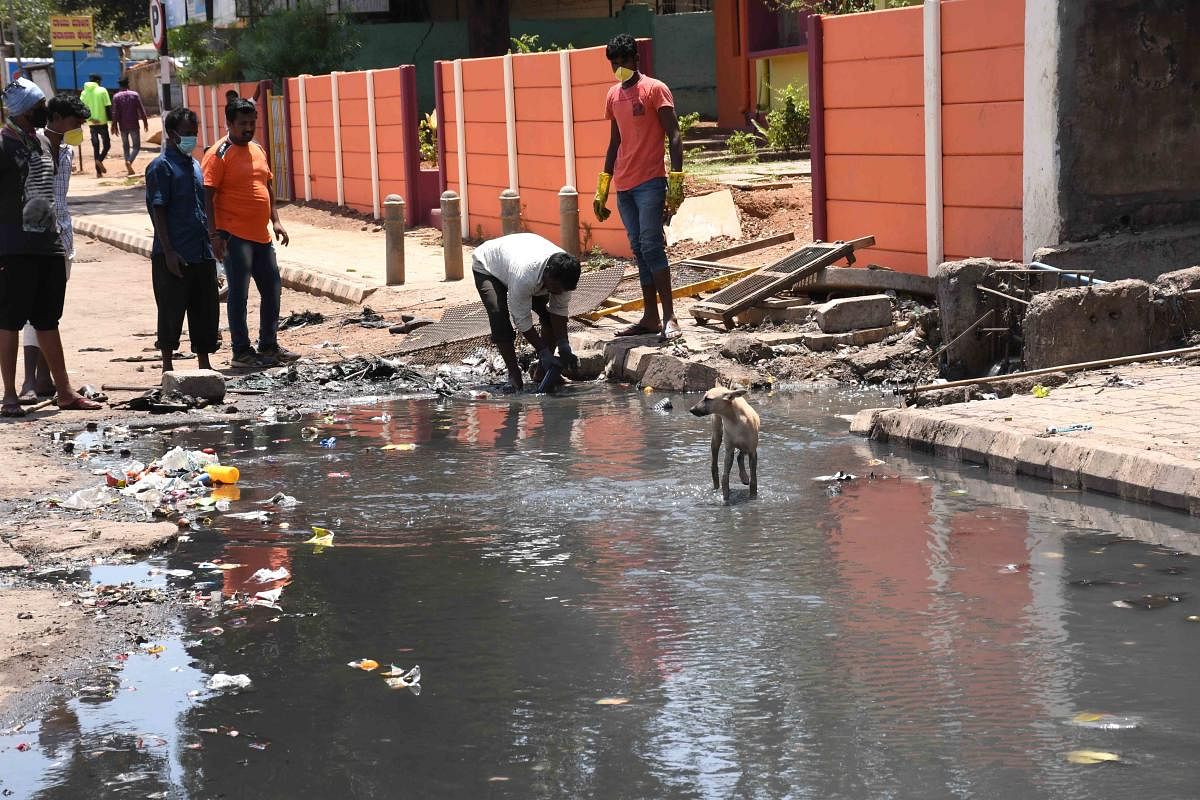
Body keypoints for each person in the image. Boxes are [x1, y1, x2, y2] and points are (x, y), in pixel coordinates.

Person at [0, 78, 102, 416]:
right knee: (10, 322)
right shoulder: (3, 146)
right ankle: (10, 395)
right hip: (14, 249)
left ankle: (65, 393)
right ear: (25, 111)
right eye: (38, 106)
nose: (44, 109)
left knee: (48, 321)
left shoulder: (40, 143)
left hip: (48, 246)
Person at [594, 33, 685, 342]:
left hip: (650, 182)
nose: (619, 68)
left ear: (636, 59)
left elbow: (674, 134)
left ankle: (670, 316)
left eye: (623, 61)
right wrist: (602, 186)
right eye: (613, 63)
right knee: (638, 250)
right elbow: (614, 142)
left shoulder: (655, 89)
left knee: (651, 245)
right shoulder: (613, 96)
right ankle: (650, 317)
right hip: (625, 186)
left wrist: (677, 179)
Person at [202, 98, 296, 368]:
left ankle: (268, 346)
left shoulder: (257, 149)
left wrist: (276, 220)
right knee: (239, 295)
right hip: (234, 236)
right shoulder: (219, 153)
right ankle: (241, 352)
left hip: (261, 236)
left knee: (273, 290)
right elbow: (207, 195)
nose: (248, 128)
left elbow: (266, 185)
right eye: (242, 123)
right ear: (229, 123)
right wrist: (214, 235)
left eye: (252, 123)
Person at [18, 94, 89, 404]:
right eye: (75, 122)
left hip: (63, 237)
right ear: (57, 117)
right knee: (34, 311)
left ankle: (46, 379)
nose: (79, 128)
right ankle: (30, 380)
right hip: (35, 237)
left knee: (50, 310)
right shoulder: (32, 147)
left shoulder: (68, 152)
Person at [146, 107, 219, 373]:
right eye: (187, 134)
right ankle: (168, 367)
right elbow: (159, 210)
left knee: (205, 309)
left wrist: (213, 239)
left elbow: (203, 207)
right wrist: (168, 252)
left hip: (201, 251)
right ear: (172, 134)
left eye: (194, 133)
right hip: (174, 252)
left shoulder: (195, 166)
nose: (192, 138)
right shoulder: (160, 167)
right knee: (170, 310)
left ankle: (204, 364)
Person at [471, 232, 581, 393]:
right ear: (548, 272)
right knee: (499, 316)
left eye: (562, 290)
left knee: (549, 319)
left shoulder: (565, 276)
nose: (558, 293)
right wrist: (543, 351)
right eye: (556, 288)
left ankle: (543, 372)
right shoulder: (525, 275)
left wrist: (564, 346)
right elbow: (521, 320)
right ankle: (514, 374)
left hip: (518, 259)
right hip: (488, 267)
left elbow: (558, 311)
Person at [110, 77, 148, 176]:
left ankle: (128, 165)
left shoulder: (116, 97)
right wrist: (145, 122)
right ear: (128, 85)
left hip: (122, 125)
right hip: (134, 124)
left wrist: (114, 125)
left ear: (119, 86)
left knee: (125, 146)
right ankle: (129, 162)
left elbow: (114, 113)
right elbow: (141, 109)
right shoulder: (134, 95)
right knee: (136, 146)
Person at [80, 74, 112, 178]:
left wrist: (89, 119)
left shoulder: (84, 92)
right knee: (107, 145)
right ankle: (99, 160)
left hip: (91, 124)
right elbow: (108, 107)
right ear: (98, 81)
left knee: (96, 146)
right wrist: (111, 122)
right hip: (102, 123)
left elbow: (81, 108)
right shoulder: (102, 90)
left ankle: (98, 172)